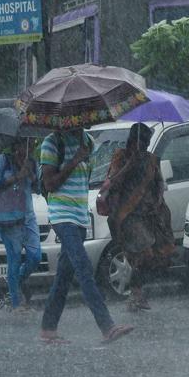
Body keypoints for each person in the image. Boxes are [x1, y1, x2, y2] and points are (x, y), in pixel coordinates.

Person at [39, 128, 133, 344]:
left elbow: (88, 177)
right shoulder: (51, 143)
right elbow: (50, 184)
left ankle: (48, 329)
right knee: (84, 269)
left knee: (63, 276)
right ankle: (107, 326)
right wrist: (74, 160)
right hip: (63, 216)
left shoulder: (87, 141)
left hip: (81, 216)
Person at [105, 123, 175, 311]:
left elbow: (159, 183)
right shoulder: (120, 157)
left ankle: (137, 293)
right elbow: (113, 183)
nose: (145, 146)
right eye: (142, 141)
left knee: (157, 255)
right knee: (144, 253)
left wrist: (158, 200)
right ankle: (136, 294)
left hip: (150, 213)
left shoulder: (152, 160)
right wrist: (130, 164)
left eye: (147, 142)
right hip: (129, 215)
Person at [0, 138, 41, 312]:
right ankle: (16, 303)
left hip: (28, 216)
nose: (27, 147)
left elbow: (38, 187)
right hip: (10, 218)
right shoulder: (4, 160)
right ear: (15, 145)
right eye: (23, 144)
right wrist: (16, 177)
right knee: (15, 259)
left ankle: (17, 282)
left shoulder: (32, 162)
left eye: (30, 144)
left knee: (35, 257)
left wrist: (31, 174)